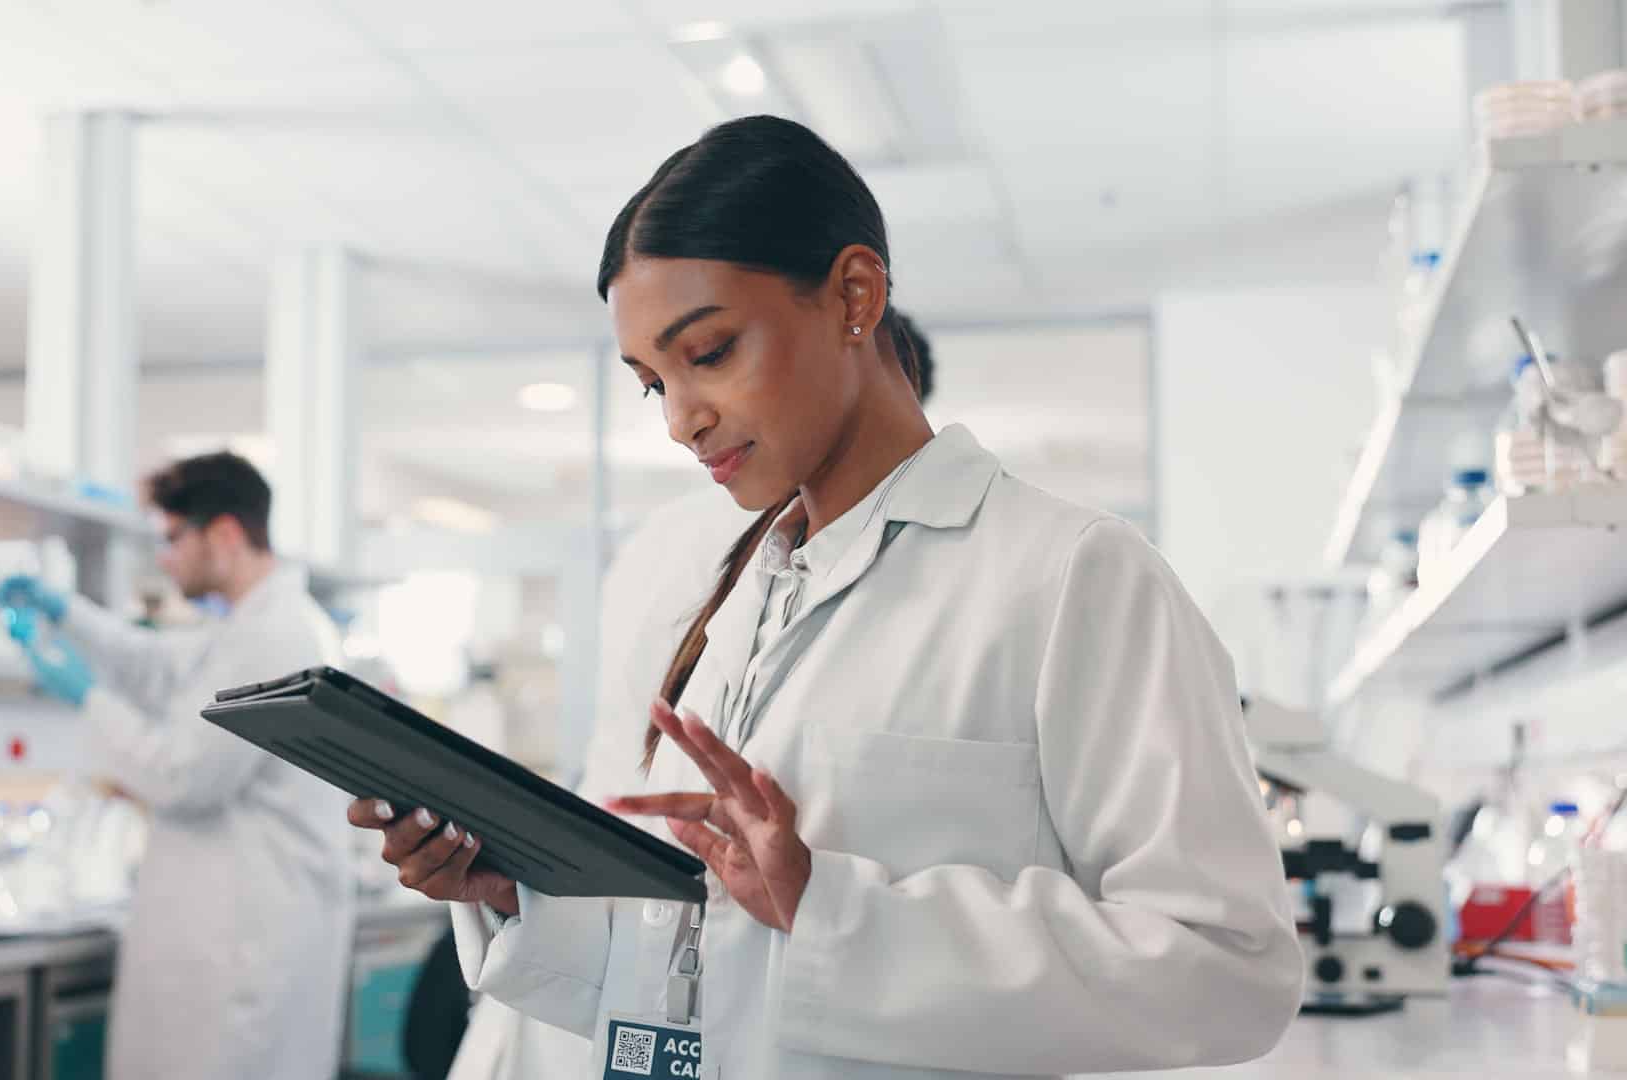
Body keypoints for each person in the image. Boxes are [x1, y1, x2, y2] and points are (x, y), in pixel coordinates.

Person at [352, 116, 1301, 1078]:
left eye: (710, 352)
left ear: (855, 294)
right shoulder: (735, 604)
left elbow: (1226, 969)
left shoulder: (1072, 577)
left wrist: (832, 908)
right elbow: (703, 958)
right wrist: (515, 893)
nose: (683, 421)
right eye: (652, 384)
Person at [447, 313, 935, 1080]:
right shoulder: (750, 541)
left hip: (617, 945)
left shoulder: (692, 538)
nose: (684, 422)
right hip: (635, 953)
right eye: (655, 386)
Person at [0, 452, 353, 1080]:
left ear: (222, 534)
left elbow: (185, 778)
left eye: (172, 538)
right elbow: (162, 664)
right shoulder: (259, 626)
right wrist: (66, 612)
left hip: (241, 948)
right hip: (240, 936)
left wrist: (89, 698)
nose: (164, 557)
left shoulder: (274, 636)